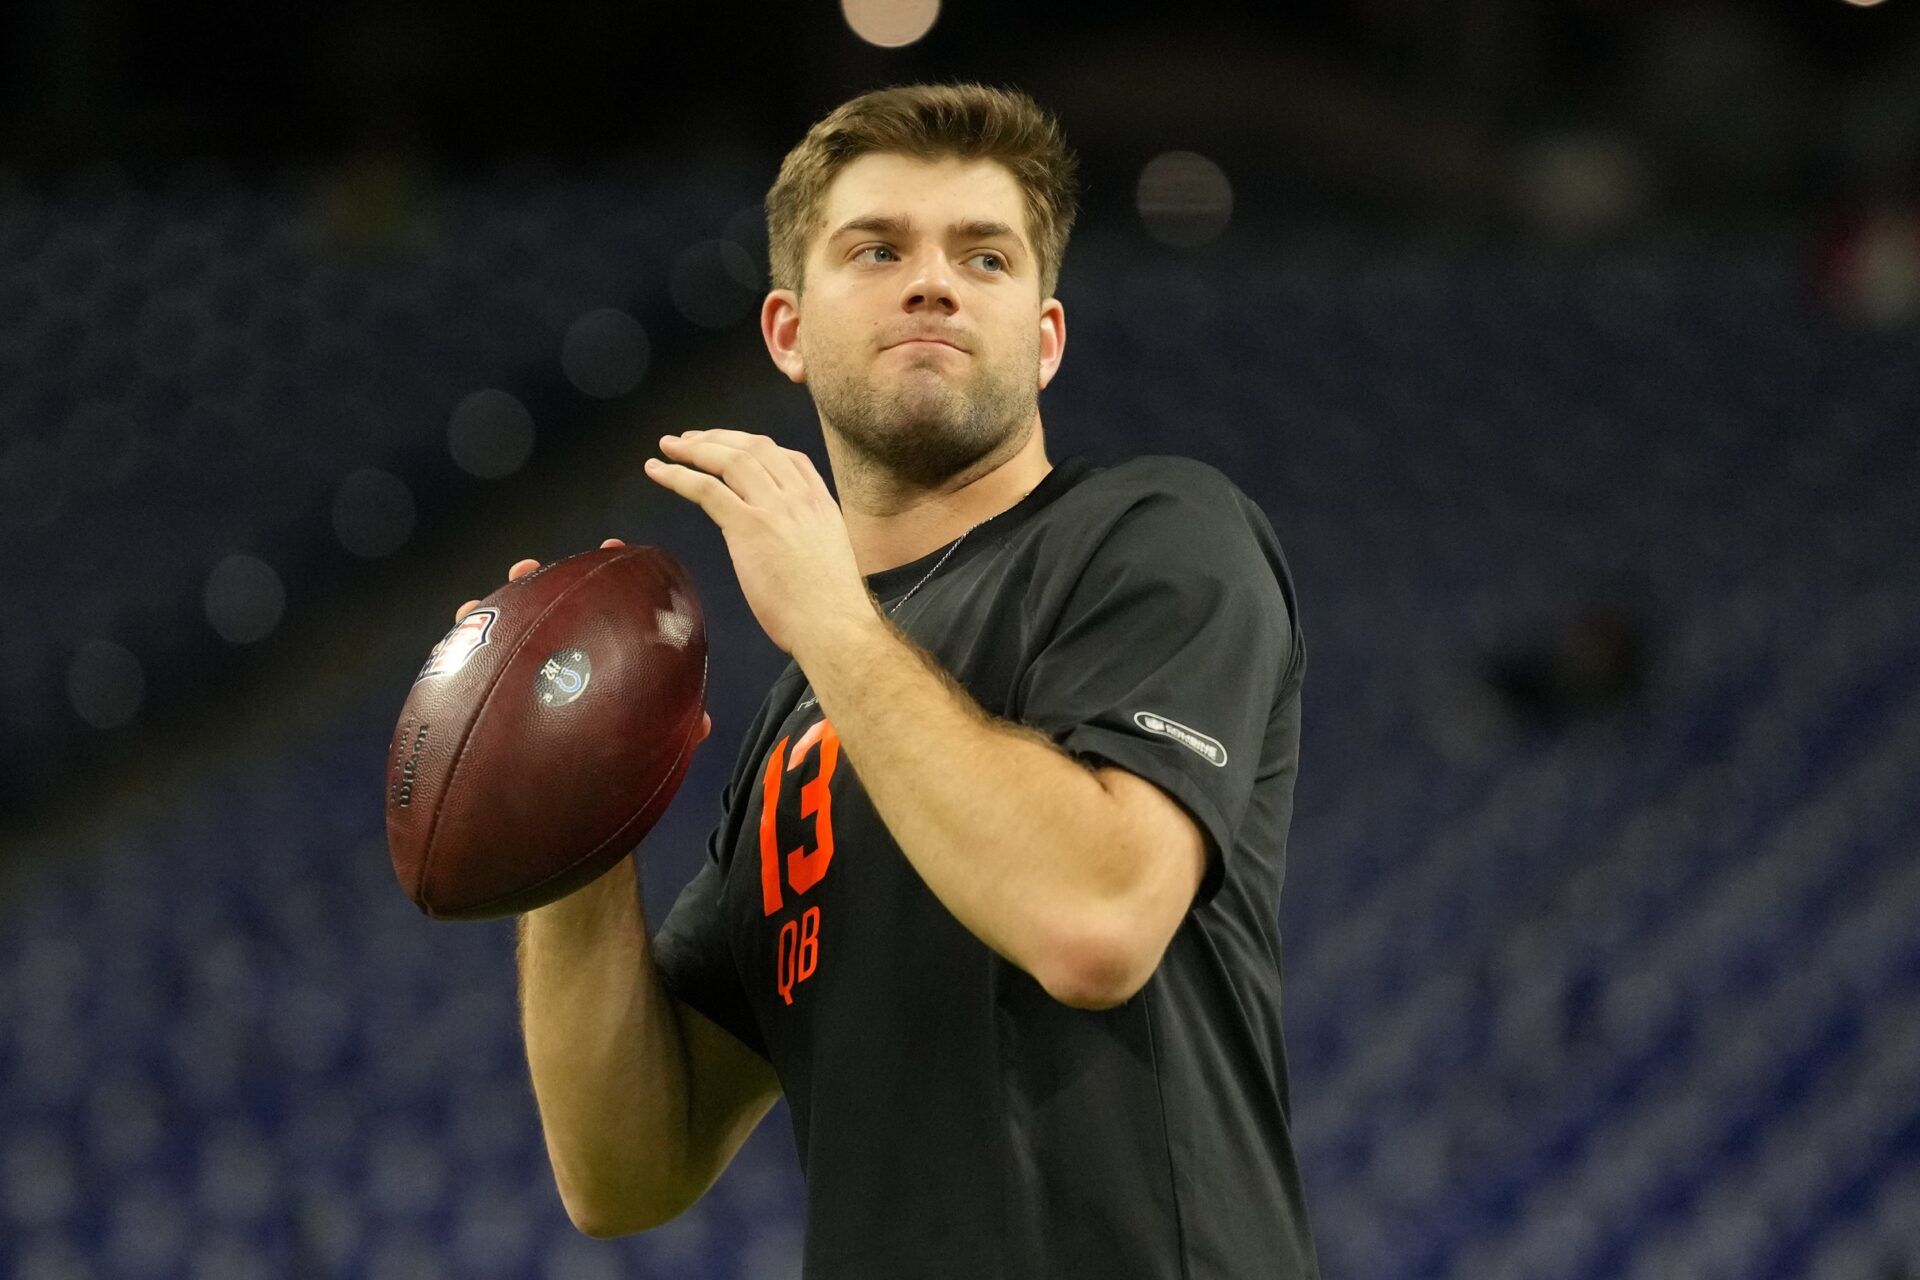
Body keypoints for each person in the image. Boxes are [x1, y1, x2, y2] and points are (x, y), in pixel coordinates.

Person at [455, 81, 1319, 1278]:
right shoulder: (800, 723)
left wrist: (828, 618)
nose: (934, 283)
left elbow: (1097, 919)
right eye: (878, 249)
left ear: (1045, 340)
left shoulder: (1158, 531)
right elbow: (625, 1168)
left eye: (985, 256)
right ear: (788, 331)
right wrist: (574, 820)